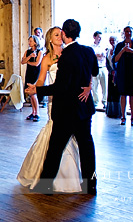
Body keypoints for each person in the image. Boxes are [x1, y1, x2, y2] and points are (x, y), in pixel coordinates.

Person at [26, 19, 97, 195]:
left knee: (55, 148)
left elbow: (61, 87)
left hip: (66, 110)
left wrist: (37, 89)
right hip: (83, 108)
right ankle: (90, 185)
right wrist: (87, 85)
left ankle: (46, 185)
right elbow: (94, 71)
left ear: (65, 34)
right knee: (86, 146)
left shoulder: (66, 57)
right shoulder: (88, 51)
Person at [18, 26, 82, 192]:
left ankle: (69, 175)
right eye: (56, 34)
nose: (60, 36)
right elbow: (41, 80)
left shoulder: (70, 54)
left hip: (72, 101)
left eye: (61, 33)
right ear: (49, 39)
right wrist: (35, 88)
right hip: (55, 101)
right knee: (55, 132)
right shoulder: (46, 58)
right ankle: (51, 177)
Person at [113, 26, 133, 126]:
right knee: (123, 95)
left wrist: (132, 51)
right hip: (123, 73)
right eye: (126, 31)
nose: (128, 33)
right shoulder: (119, 45)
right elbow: (115, 59)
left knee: (132, 95)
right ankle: (123, 116)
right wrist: (123, 50)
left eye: (130, 31)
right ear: (124, 33)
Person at [22, 35, 43, 122]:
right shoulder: (27, 52)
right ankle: (33, 112)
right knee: (30, 94)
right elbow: (22, 61)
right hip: (29, 73)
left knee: (34, 93)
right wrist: (29, 57)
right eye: (29, 41)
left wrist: (28, 62)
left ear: (35, 42)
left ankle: (37, 113)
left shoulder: (40, 52)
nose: (29, 42)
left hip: (36, 74)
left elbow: (37, 64)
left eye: (31, 41)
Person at [104, 35, 121, 118]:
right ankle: (111, 111)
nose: (112, 42)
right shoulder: (108, 51)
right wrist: (111, 70)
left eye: (113, 40)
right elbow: (107, 63)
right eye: (110, 40)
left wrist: (116, 71)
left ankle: (118, 111)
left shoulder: (119, 50)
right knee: (111, 92)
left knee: (117, 92)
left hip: (119, 74)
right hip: (111, 74)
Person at [91, 32, 108, 109]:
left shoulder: (104, 46)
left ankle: (104, 101)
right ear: (94, 37)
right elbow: (92, 56)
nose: (100, 38)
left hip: (103, 67)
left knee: (104, 86)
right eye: (98, 37)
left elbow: (104, 56)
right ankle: (95, 101)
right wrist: (96, 56)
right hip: (95, 68)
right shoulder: (91, 47)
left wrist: (100, 56)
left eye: (101, 37)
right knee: (94, 86)